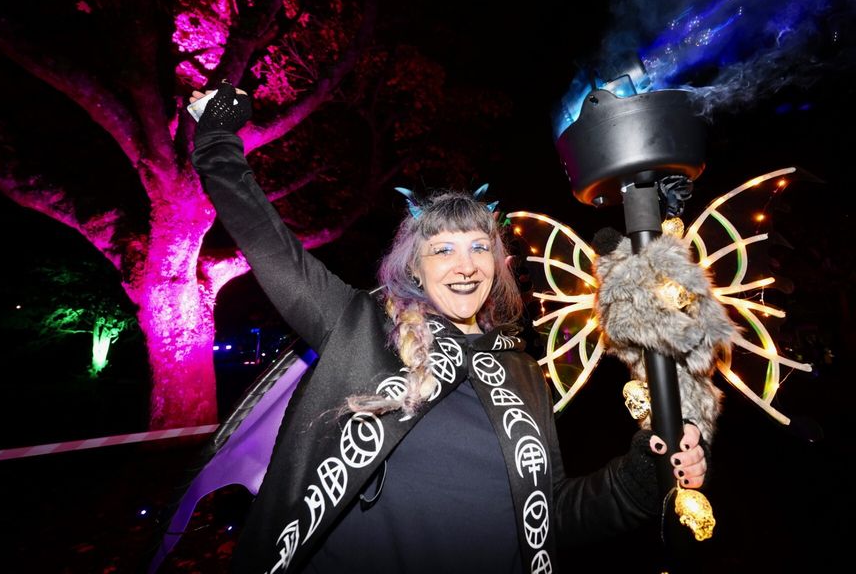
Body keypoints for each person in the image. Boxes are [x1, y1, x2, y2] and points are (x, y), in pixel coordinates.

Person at [189, 83, 708, 574]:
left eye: (480, 247)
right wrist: (216, 140)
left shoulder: (522, 371)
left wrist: (639, 479)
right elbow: (268, 244)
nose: (467, 266)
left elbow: (549, 516)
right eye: (444, 249)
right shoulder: (360, 327)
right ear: (414, 267)